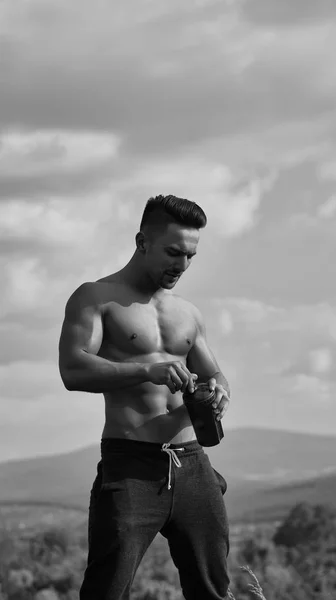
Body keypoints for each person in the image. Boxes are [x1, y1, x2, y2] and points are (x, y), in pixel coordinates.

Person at [58, 195, 231, 600]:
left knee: (214, 592)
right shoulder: (95, 298)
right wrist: (145, 370)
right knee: (107, 591)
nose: (182, 265)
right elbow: (73, 370)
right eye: (174, 252)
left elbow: (214, 373)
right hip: (130, 465)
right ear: (142, 242)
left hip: (193, 465)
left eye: (191, 256)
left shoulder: (189, 313)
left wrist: (220, 390)